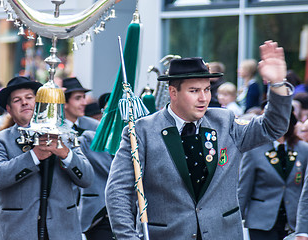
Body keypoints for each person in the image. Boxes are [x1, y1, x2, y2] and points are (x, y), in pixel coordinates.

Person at [105, 41, 293, 240]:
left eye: (207, 89)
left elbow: (271, 128)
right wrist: (128, 237)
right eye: (194, 91)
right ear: (173, 92)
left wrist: (278, 85)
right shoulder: (141, 132)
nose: (203, 98)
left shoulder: (225, 121)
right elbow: (118, 191)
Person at [0, 76, 93, 240]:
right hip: (18, 232)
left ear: (40, 102)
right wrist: (34, 156)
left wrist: (65, 153)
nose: (25, 103)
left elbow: (86, 178)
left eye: (29, 98)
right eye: (17, 100)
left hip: (62, 231)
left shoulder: (65, 135)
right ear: (9, 108)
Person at [238, 107, 308, 240]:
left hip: (293, 221)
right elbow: (243, 188)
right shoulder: (254, 149)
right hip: (261, 221)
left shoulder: (303, 149)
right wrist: (234, 221)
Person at [62, 77, 114, 239]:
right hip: (64, 205)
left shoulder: (95, 127)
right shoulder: (54, 130)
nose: (84, 102)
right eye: (78, 98)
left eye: (84, 97)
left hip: (94, 210)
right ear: (64, 103)